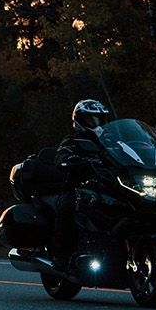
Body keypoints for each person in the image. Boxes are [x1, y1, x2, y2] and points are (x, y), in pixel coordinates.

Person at [49, 100, 113, 264]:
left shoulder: (111, 141)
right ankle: (60, 255)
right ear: (80, 120)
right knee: (68, 206)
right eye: (92, 120)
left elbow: (128, 152)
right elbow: (61, 155)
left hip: (107, 186)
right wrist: (69, 159)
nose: (98, 124)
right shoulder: (73, 140)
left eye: (101, 119)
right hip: (78, 186)